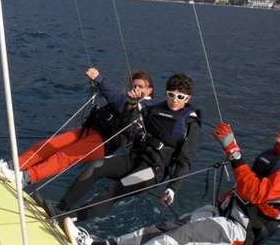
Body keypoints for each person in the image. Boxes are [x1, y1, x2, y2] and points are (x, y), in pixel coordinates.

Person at [63, 114, 280, 245]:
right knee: (162, 229)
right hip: (222, 214)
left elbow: (254, 193)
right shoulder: (277, 157)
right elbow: (251, 185)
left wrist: (233, 153)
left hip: (238, 232)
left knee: (183, 236)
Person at [57, 73, 201, 222]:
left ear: (188, 98)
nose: (175, 100)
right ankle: (61, 208)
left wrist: (172, 189)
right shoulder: (153, 109)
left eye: (180, 97)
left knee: (115, 190)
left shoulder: (190, 123)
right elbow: (125, 125)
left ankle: (71, 219)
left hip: (153, 170)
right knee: (96, 166)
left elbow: (185, 160)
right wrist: (131, 104)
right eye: (171, 95)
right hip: (135, 158)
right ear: (167, 93)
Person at [0, 67, 154, 187]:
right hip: (89, 132)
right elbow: (118, 98)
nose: (137, 89)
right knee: (47, 145)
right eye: (135, 85)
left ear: (149, 91)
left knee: (62, 157)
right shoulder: (127, 98)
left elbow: (118, 101)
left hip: (103, 142)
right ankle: (11, 166)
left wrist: (100, 80)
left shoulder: (145, 107)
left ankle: (25, 179)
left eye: (141, 87)